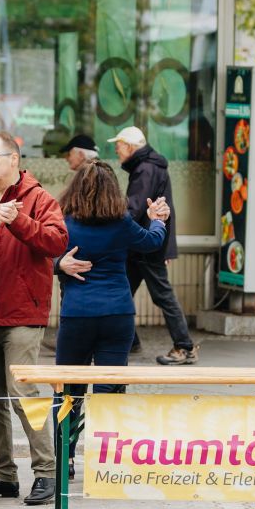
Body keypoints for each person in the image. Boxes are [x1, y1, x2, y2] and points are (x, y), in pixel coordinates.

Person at [0, 131, 69, 506]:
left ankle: (46, 472)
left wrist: (19, 221)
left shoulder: (38, 199)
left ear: (14, 160)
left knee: (24, 394)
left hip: (22, 314)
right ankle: (3, 475)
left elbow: (56, 243)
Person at [55, 160, 169, 471]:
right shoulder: (121, 223)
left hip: (77, 314)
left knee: (68, 389)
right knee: (109, 389)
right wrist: (156, 220)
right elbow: (152, 242)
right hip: (118, 313)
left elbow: (44, 251)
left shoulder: (65, 223)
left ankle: (65, 459)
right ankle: (102, 463)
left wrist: (57, 264)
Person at [110, 126, 198, 365]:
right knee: (122, 293)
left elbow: (135, 208)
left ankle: (185, 346)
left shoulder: (145, 169)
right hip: (144, 243)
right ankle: (130, 341)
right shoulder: (148, 166)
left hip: (146, 245)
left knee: (161, 295)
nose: (116, 150)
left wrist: (110, 223)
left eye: (118, 145)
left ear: (130, 147)